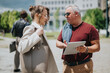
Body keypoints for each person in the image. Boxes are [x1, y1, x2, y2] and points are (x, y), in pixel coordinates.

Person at [56, 5, 100, 73]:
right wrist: (63, 45)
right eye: (65, 14)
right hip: (67, 67)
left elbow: (97, 47)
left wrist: (86, 49)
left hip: (83, 67)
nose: (66, 16)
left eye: (68, 14)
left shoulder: (90, 28)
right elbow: (57, 42)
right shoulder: (65, 28)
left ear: (76, 13)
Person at [18, 5, 59, 73]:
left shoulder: (39, 29)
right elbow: (21, 47)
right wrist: (36, 34)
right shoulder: (31, 28)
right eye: (44, 15)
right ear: (37, 15)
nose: (46, 18)